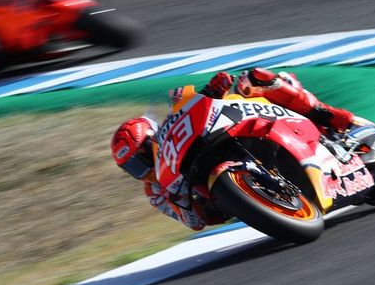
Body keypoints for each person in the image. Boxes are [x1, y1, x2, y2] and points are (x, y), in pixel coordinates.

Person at [110, 68, 355, 230]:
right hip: (224, 194)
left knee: (255, 79)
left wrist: (211, 92)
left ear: (153, 139)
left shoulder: (173, 129)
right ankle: (266, 194)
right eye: (133, 167)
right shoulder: (154, 191)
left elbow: (196, 109)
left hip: (236, 129)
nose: (142, 169)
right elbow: (194, 222)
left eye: (140, 158)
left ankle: (325, 115)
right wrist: (180, 201)